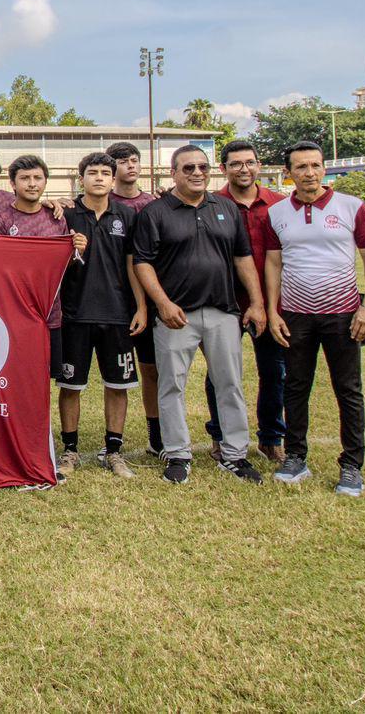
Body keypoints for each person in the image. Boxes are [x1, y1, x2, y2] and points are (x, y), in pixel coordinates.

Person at [132, 146, 267, 486]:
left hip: (223, 311)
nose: (197, 173)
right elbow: (143, 262)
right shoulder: (155, 212)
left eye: (202, 167)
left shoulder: (225, 208)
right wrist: (163, 303)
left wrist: (256, 302)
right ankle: (177, 453)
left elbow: (242, 258)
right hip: (176, 315)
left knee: (229, 383)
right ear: (173, 173)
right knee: (171, 385)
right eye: (188, 167)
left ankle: (234, 454)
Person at [264, 141, 365, 497]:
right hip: (296, 315)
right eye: (301, 167)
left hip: (343, 314)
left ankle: (352, 465)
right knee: (295, 386)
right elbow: (273, 263)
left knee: (348, 389)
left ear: (324, 168)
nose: (309, 173)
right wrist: (273, 311)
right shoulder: (277, 213)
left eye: (315, 165)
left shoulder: (351, 206)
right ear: (289, 172)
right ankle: (295, 457)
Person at [57, 152, 148, 479]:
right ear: (80, 177)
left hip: (117, 314)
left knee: (118, 384)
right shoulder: (65, 213)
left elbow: (133, 263)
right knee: (71, 386)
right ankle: (70, 450)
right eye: (92, 172)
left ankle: (114, 451)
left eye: (105, 173)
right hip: (75, 315)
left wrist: (141, 306)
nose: (99, 178)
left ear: (113, 178)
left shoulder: (127, 214)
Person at [0, 154, 74, 471]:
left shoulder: (56, 217)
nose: (32, 184)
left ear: (45, 182)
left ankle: (41, 441)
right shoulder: (0, 219)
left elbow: (63, 261)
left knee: (43, 384)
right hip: (14, 319)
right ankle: (13, 442)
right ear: (12, 184)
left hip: (50, 315)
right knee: (16, 382)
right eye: (25, 178)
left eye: (37, 178)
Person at [203, 139, 289, 464]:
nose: (244, 169)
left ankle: (271, 438)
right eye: (236, 163)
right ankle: (220, 435)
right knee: (220, 373)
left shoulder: (279, 205)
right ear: (223, 168)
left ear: (258, 165)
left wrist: (268, 304)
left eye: (250, 162)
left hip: (271, 303)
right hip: (225, 302)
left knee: (275, 371)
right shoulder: (210, 204)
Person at [107, 140, 163, 455]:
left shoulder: (154, 203)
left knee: (151, 369)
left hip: (150, 300)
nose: (130, 165)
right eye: (122, 161)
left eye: (134, 160)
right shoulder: (100, 201)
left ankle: (157, 435)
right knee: (116, 375)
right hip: (114, 301)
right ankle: (114, 438)